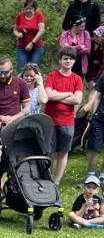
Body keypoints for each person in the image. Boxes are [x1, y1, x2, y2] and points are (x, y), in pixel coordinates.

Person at [43, 48, 83, 185]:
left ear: (74, 61)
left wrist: (57, 95)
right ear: (60, 60)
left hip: (67, 121)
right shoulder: (52, 76)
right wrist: (68, 94)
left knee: (63, 152)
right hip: (50, 120)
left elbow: (77, 100)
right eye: (65, 58)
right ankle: (47, 178)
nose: (68, 61)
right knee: (49, 152)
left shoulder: (77, 79)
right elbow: (48, 95)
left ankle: (56, 181)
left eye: (71, 59)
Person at [0, 57, 30, 131]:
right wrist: (0, 117)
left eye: (5, 73)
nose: (2, 76)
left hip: (16, 125)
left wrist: (13, 118)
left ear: (11, 70)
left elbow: (27, 109)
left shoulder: (21, 83)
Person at [79, 69, 104, 186]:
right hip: (99, 117)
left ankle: (102, 177)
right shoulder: (103, 77)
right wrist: (94, 114)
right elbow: (97, 96)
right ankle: (91, 176)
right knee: (94, 147)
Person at [14, 0, 45, 71]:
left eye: (30, 9)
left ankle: (35, 79)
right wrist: (18, 34)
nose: (28, 10)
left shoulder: (39, 15)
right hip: (22, 47)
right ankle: (21, 79)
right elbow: (15, 30)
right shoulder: (20, 16)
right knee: (21, 68)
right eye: (26, 8)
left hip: (36, 47)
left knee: (33, 69)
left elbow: (41, 30)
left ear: (34, 9)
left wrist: (32, 43)